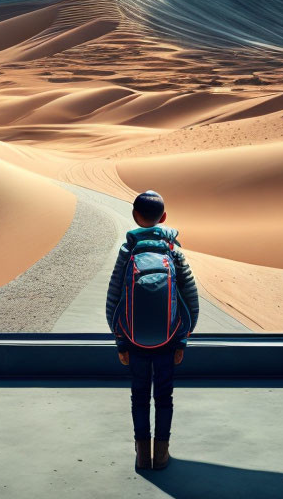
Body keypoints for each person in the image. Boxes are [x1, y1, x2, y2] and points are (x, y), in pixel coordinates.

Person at [105, 189, 200, 471]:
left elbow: (114, 297)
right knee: (164, 397)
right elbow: (190, 298)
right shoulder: (174, 251)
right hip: (168, 341)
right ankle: (161, 454)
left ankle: (141, 454)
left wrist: (120, 341)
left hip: (133, 342)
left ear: (134, 216)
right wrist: (182, 339)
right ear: (164, 218)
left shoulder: (127, 251)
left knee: (139, 397)